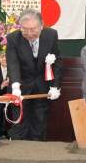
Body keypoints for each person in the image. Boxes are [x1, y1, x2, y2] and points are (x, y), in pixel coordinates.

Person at [6, 8, 62, 141]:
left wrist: (55, 87)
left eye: (33, 29)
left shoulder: (51, 35)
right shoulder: (13, 38)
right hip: (21, 89)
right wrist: (15, 87)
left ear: (41, 26)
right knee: (19, 126)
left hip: (42, 88)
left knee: (39, 125)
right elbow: (13, 64)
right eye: (25, 29)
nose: (29, 33)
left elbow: (57, 62)